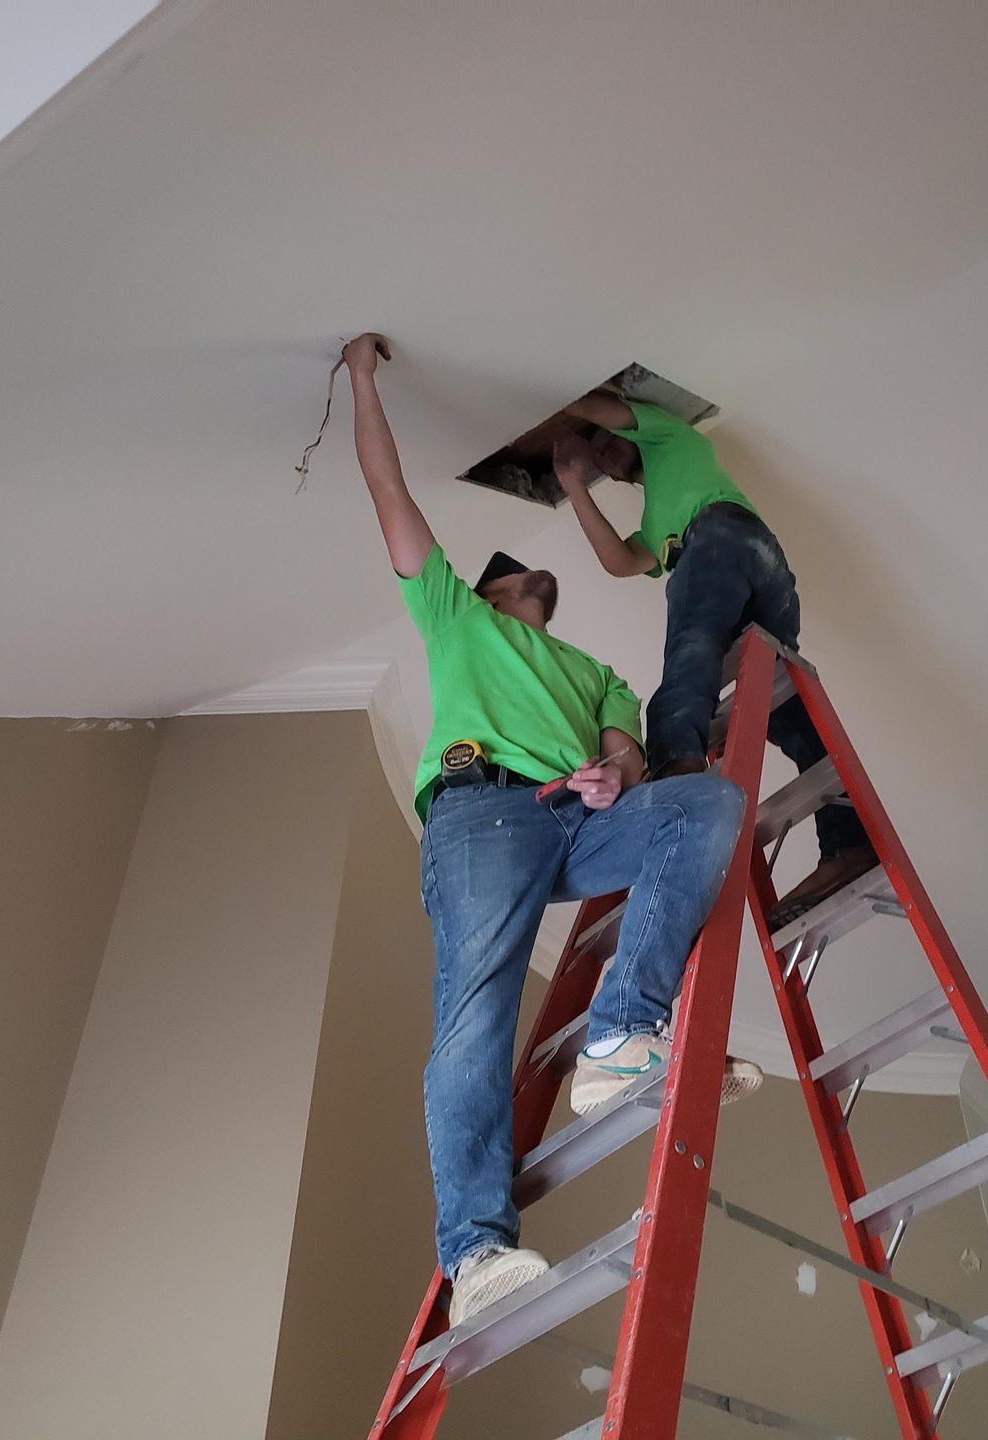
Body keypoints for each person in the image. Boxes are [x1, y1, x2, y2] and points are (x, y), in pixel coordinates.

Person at [340, 334, 762, 1326]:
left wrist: (616, 776)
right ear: (487, 594)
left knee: (704, 803)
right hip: (481, 815)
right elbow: (387, 489)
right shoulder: (455, 617)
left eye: (538, 576)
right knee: (477, 1015)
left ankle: (621, 1031)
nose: (534, 578)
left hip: (575, 819)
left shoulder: (597, 674)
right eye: (515, 574)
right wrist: (360, 378)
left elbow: (626, 758)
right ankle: (476, 1253)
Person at [551, 394, 877, 928]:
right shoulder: (656, 525)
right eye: (601, 452)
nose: (605, 451)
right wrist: (573, 483)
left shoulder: (670, 438)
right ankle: (850, 846)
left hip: (721, 537)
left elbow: (600, 407)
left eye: (609, 441)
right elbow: (619, 560)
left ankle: (678, 797)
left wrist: (568, 408)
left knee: (687, 668)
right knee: (786, 715)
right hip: (763, 572)